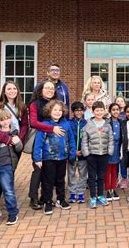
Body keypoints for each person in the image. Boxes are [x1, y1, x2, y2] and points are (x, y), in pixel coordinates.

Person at [0, 80, 28, 218]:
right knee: (0, 175)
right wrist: (7, 139)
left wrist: (18, 139)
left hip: (16, 145)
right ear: (4, 91)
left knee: (9, 172)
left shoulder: (21, 107)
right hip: (1, 145)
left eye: (14, 89)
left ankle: (7, 199)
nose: (12, 91)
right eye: (9, 89)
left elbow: (24, 126)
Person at [33, 100, 76, 214]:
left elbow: (71, 139)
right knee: (48, 181)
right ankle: (47, 201)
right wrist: (37, 158)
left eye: (60, 110)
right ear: (49, 111)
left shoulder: (66, 124)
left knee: (60, 180)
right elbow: (38, 143)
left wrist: (72, 153)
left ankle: (60, 199)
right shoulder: (45, 125)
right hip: (49, 158)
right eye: (55, 110)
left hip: (63, 157)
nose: (57, 112)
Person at [28, 81, 63, 210]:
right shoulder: (34, 104)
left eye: (52, 88)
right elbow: (33, 122)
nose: (49, 90)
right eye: (47, 88)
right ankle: (33, 197)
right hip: (40, 138)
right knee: (38, 168)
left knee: (49, 170)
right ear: (41, 89)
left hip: (53, 141)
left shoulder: (56, 103)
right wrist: (51, 128)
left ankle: (45, 197)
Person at [81, 101, 114, 209]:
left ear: (104, 111)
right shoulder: (88, 125)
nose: (99, 112)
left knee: (101, 176)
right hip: (92, 154)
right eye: (97, 110)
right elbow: (84, 141)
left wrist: (110, 151)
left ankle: (100, 195)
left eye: (101, 110)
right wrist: (86, 153)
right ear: (93, 111)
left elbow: (111, 139)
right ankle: (92, 197)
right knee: (91, 176)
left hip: (103, 154)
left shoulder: (107, 125)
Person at [68, 101, 88, 204]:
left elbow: (88, 139)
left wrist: (83, 151)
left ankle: (80, 193)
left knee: (83, 174)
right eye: (76, 111)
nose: (79, 112)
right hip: (72, 155)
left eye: (81, 110)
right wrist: (72, 151)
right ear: (73, 112)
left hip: (83, 155)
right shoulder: (69, 123)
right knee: (71, 174)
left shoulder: (87, 123)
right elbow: (67, 139)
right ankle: (72, 193)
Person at [105, 103, 123, 201]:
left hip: (117, 148)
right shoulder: (107, 122)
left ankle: (113, 188)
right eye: (113, 110)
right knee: (108, 170)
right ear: (110, 111)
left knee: (115, 170)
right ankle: (108, 189)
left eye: (117, 109)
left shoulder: (121, 122)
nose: (115, 111)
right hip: (109, 149)